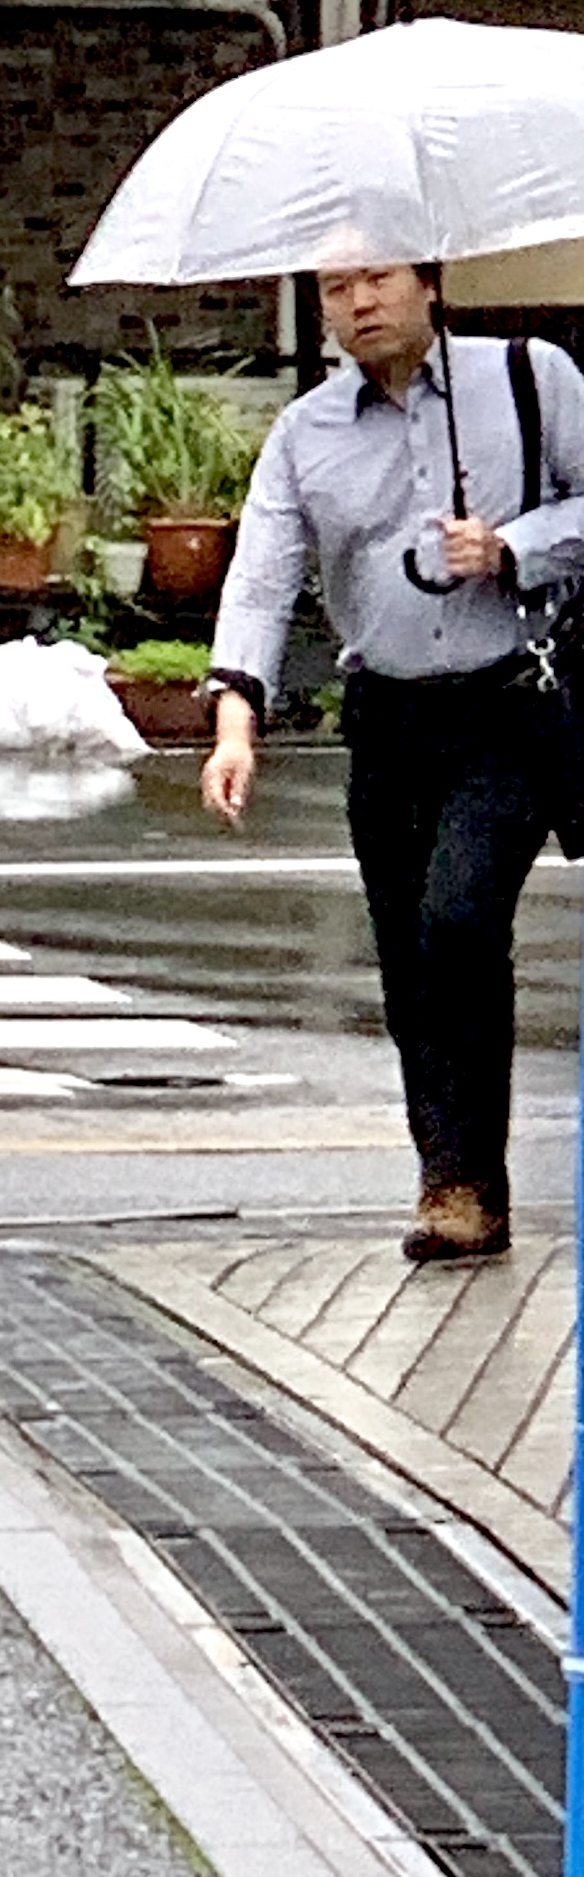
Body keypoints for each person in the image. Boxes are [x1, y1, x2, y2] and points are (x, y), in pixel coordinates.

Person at [205, 259, 584, 1261]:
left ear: (428, 284)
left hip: (507, 706)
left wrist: (511, 545)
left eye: (375, 279)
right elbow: (261, 574)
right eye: (334, 289)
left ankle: (466, 1181)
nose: (357, 305)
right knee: (412, 957)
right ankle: (451, 1181)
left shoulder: (530, 376)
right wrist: (234, 713)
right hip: (386, 720)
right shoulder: (305, 433)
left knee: (459, 922)